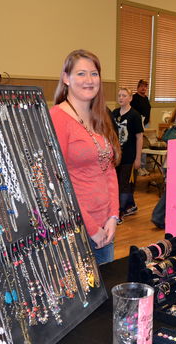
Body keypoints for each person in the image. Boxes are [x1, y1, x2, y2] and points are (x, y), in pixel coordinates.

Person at [50, 49, 121, 264]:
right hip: (76, 226)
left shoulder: (99, 116)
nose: (89, 80)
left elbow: (108, 168)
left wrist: (113, 216)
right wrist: (91, 227)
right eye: (81, 74)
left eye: (94, 73)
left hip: (105, 226)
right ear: (66, 78)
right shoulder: (57, 117)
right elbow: (57, 181)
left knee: (106, 291)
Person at [113, 87, 143, 221]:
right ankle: (131, 205)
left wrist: (138, 158)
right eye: (119, 95)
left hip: (129, 156)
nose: (121, 98)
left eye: (124, 95)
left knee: (124, 184)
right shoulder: (114, 113)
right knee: (116, 183)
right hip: (115, 156)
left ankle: (121, 211)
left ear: (130, 98)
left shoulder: (135, 115)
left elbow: (139, 138)